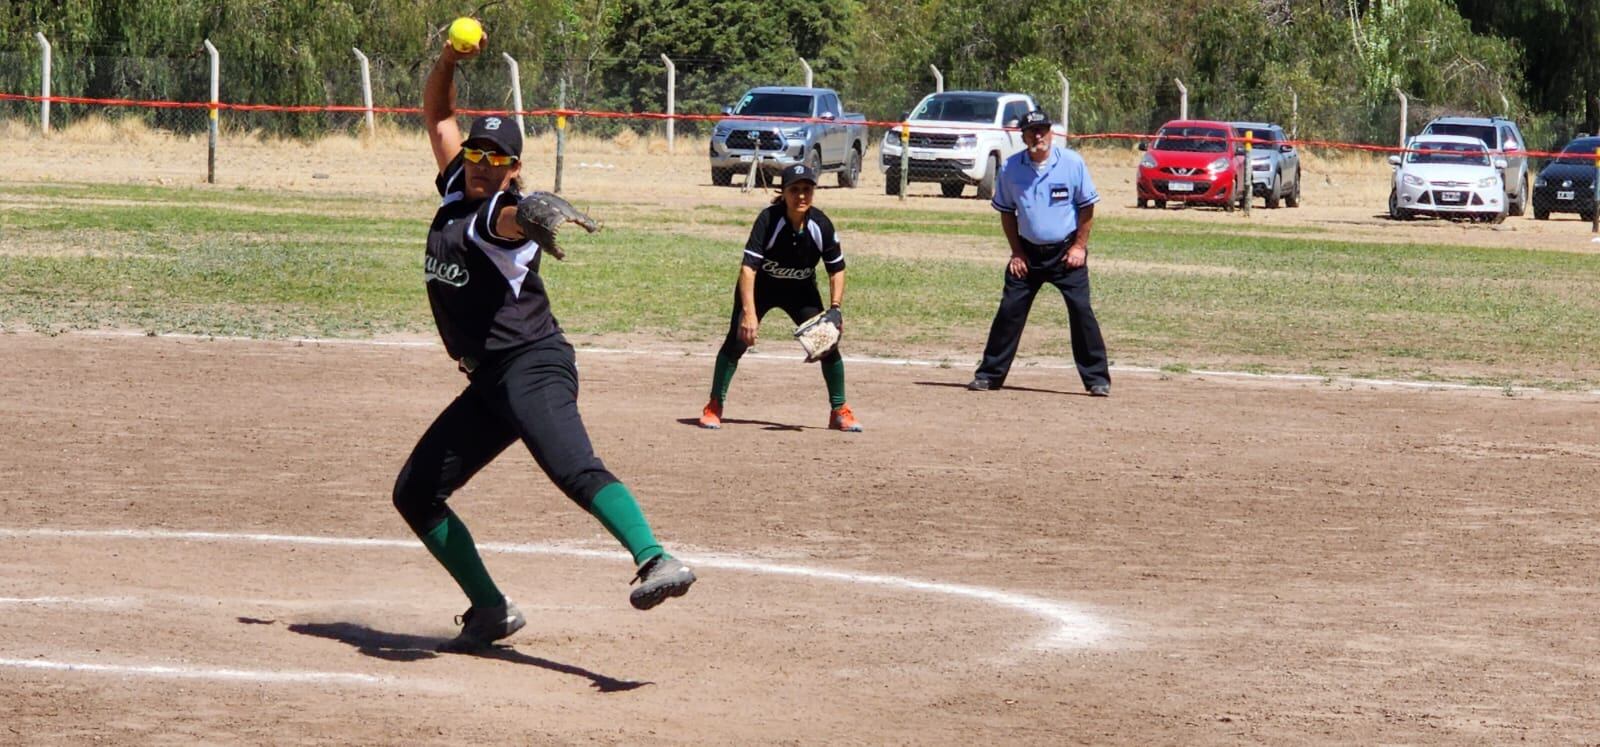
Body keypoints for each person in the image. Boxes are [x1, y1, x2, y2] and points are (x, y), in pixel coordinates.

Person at [394, 34, 694, 653]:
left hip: (533, 364)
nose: (480, 162)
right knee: (416, 493)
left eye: (495, 158)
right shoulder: (457, 188)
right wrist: (449, 61)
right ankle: (490, 610)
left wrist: (531, 213)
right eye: (476, 151)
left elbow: (511, 222)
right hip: (489, 381)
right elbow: (439, 116)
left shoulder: (496, 214)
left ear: (512, 170)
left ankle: (655, 558)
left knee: (572, 467)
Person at [697, 163, 862, 432]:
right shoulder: (769, 220)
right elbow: (748, 269)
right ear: (783, 192)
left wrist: (835, 309)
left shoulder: (820, 224)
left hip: (801, 291)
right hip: (761, 288)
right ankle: (714, 405)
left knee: (827, 342)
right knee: (738, 339)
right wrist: (749, 313)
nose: (801, 196)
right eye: (794, 189)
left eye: (807, 189)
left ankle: (839, 410)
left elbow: (837, 269)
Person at [967, 110, 1111, 396]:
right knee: (1009, 311)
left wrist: (1079, 247)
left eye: (1043, 130)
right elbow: (1007, 212)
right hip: (1027, 254)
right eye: (1032, 131)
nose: (1038, 136)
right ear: (1023, 136)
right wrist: (1016, 252)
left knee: (1081, 312)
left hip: (1066, 253)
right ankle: (989, 375)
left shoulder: (1072, 164)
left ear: (1051, 133)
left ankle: (1097, 379)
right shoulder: (1010, 169)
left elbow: (1087, 207)